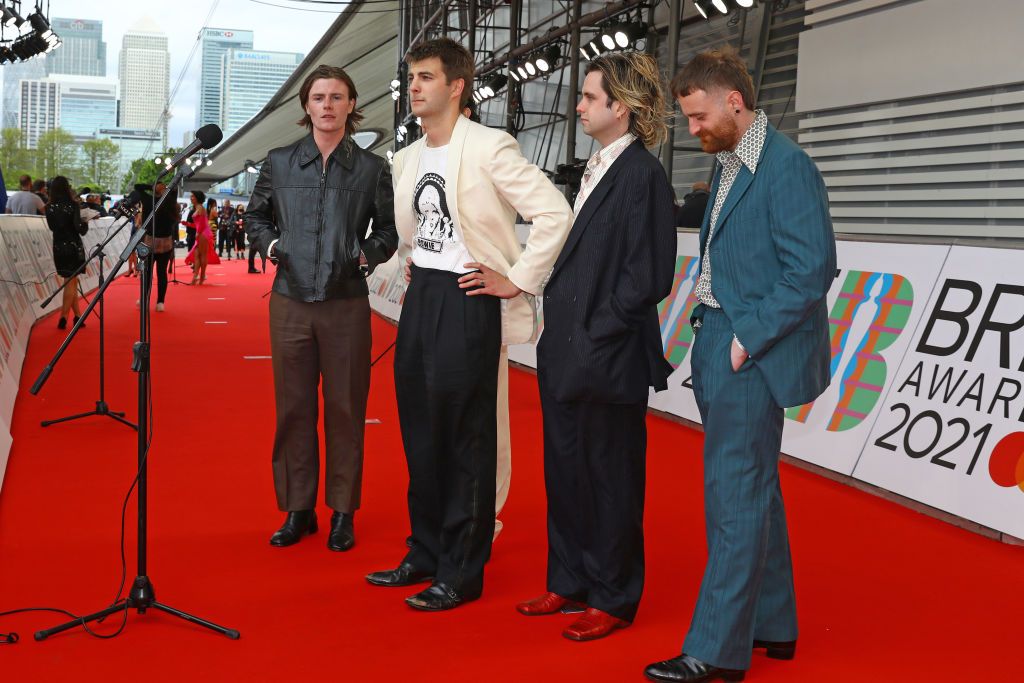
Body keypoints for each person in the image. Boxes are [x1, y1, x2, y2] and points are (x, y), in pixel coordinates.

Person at [642, 47, 836, 683]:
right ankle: (774, 624)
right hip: (719, 335)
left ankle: (717, 650)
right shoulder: (729, 160)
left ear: (734, 101)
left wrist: (745, 339)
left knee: (733, 494)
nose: (692, 128)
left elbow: (811, 270)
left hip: (750, 346)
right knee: (755, 488)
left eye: (699, 116)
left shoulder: (787, 167)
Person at [364, 38, 572, 611]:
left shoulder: (489, 146)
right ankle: (425, 549)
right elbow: (412, 231)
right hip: (422, 297)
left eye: (427, 77)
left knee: (467, 438)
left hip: (469, 297)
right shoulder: (406, 157)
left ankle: (462, 568)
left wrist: (519, 277)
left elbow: (554, 212)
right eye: (411, 77)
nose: (414, 86)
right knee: (420, 430)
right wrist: (410, 264)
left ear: (457, 86)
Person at [516, 52, 677, 641]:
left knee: (611, 480)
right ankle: (569, 580)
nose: (579, 106)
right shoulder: (596, 167)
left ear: (622, 106)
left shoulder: (643, 175)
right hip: (565, 350)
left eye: (589, 97)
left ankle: (613, 596)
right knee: (565, 472)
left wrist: (597, 331)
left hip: (608, 357)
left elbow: (650, 274)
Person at [245, 64, 397, 553]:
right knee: (293, 408)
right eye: (318, 97)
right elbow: (255, 217)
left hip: (347, 303)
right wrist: (275, 247)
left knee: (346, 410)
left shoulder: (372, 168)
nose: (327, 105)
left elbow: (389, 230)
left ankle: (342, 512)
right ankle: (298, 509)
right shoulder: (279, 161)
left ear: (352, 105)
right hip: (289, 300)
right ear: (306, 106)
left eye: (336, 97)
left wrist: (365, 255)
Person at [45, 176, 88, 329]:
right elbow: (79, 229)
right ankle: (63, 316)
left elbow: (52, 227)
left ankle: (78, 316)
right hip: (73, 247)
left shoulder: (48, 207)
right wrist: (85, 223)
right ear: (66, 188)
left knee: (70, 281)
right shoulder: (73, 205)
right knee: (71, 281)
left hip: (58, 247)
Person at [141, 181, 178, 311]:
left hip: (158, 241)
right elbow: (138, 187)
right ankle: (155, 301)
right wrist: (157, 187)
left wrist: (154, 187)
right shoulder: (164, 201)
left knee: (153, 273)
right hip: (158, 241)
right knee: (155, 273)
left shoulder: (162, 201)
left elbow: (138, 187)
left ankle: (152, 300)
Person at [184, 191, 218, 284]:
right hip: (201, 232)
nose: (191, 198)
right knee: (197, 255)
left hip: (203, 233)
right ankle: (196, 277)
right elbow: (198, 224)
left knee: (202, 255)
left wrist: (198, 233)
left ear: (197, 198)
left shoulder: (200, 208)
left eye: (193, 196)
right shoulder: (198, 208)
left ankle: (201, 276)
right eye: (191, 196)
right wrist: (188, 224)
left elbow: (203, 224)